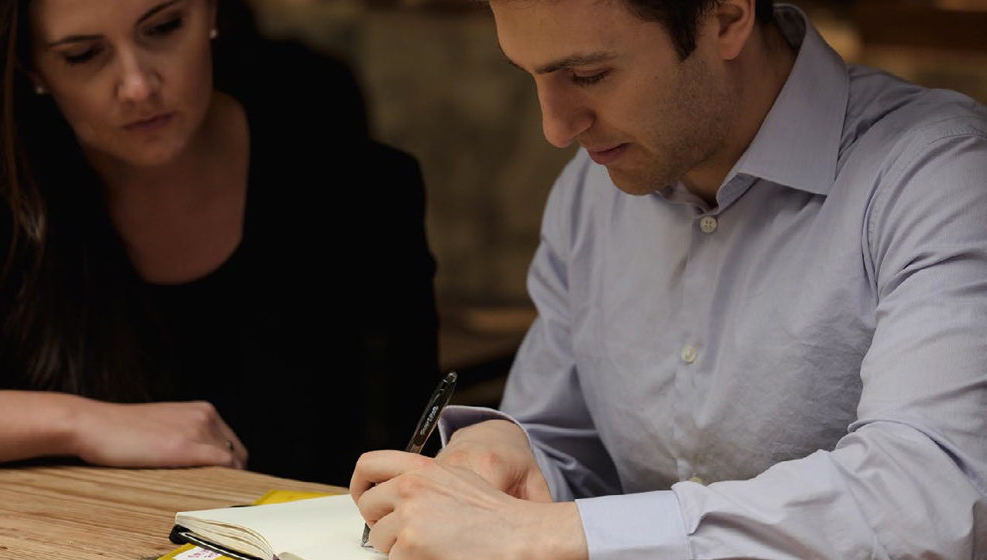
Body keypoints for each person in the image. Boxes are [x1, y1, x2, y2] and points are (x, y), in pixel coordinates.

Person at [350, 0, 987, 558]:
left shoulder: (939, 175)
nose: (554, 129)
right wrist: (503, 453)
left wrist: (543, 535)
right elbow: (568, 445)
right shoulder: (591, 188)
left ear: (727, 17)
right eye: (532, 76)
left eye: (589, 74)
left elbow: (929, 496)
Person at [0, 0, 440, 486]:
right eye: (83, 55)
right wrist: (78, 422)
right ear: (29, 65)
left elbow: (411, 455)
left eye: (163, 28)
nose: (138, 86)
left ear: (211, 11)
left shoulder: (358, 189)